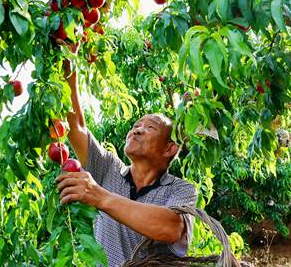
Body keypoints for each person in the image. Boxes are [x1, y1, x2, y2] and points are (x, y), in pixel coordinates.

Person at [56, 61, 197, 267]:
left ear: (170, 149)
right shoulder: (108, 169)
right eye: (135, 125)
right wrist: (68, 64)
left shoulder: (180, 190)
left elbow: (171, 228)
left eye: (150, 127)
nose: (137, 130)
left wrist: (98, 195)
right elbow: (76, 126)